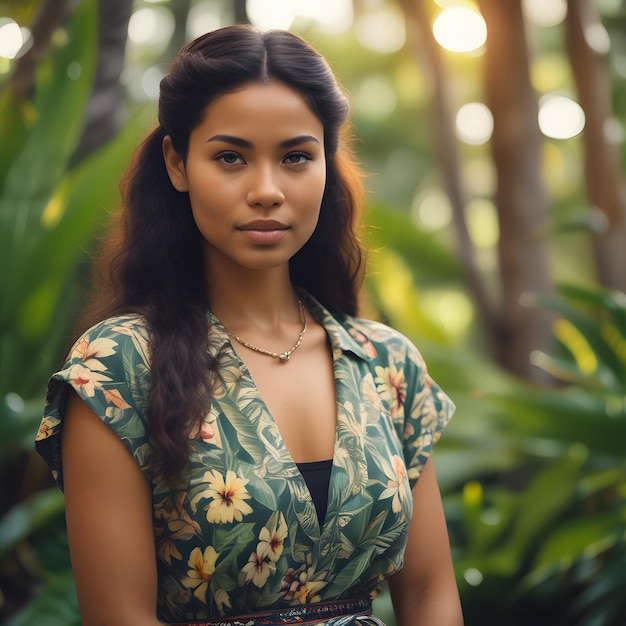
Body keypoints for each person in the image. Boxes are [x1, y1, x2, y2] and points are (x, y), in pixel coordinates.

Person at [35, 24, 463, 626]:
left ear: (326, 165)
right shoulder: (118, 368)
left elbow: (430, 597)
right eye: (230, 157)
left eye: (295, 157)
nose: (266, 190)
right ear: (178, 164)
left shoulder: (387, 364)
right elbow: (119, 617)